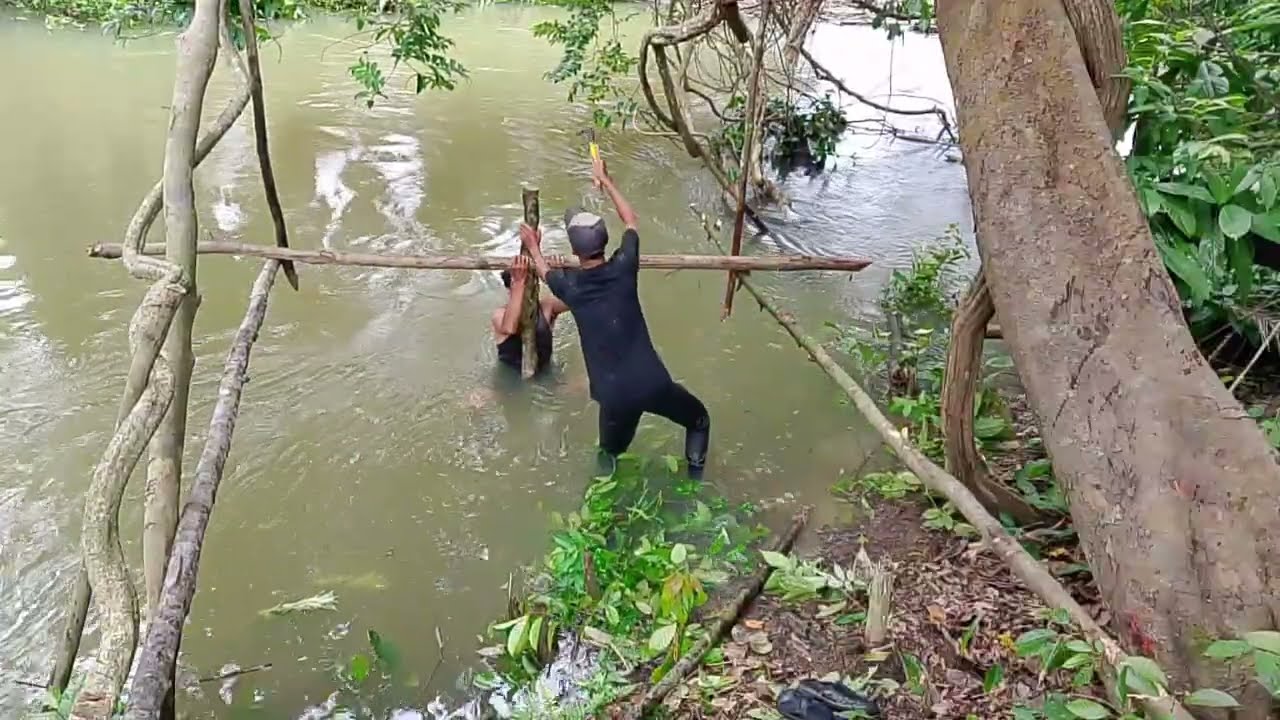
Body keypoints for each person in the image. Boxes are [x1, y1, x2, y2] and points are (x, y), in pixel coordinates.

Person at [517, 156, 711, 479]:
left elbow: (541, 266)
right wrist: (605, 180)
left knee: (609, 455)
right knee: (699, 420)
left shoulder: (569, 286)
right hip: (653, 383)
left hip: (612, 396)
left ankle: (599, 513)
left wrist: (533, 245)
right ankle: (694, 486)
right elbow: (631, 220)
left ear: (576, 252)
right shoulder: (624, 267)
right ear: (605, 244)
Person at [492, 255, 569, 375]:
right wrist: (518, 283)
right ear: (510, 289)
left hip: (545, 374)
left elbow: (580, 298)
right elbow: (510, 328)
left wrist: (560, 276)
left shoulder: (547, 307)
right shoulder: (499, 314)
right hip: (510, 378)